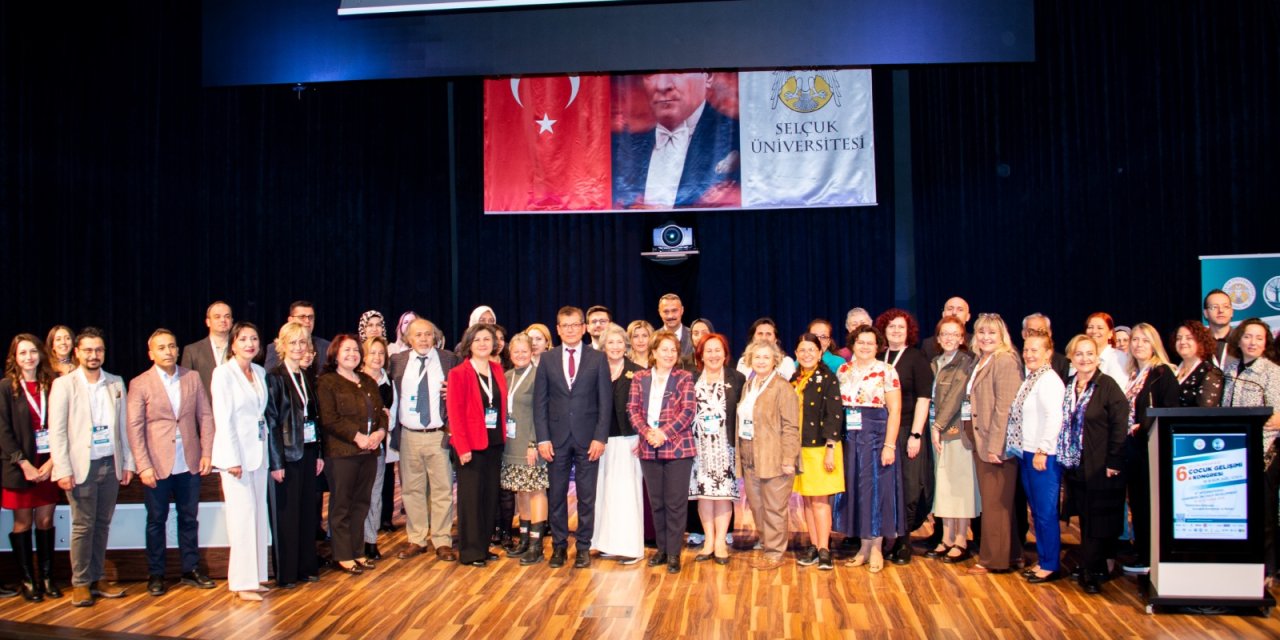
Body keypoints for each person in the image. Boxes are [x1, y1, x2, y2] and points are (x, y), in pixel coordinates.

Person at [125, 329, 217, 597]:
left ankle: (191, 569)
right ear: (151, 353)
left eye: (172, 346)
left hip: (188, 462)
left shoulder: (192, 377)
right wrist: (143, 465)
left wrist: (207, 452)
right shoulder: (140, 383)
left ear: (177, 350)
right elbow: (134, 427)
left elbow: (206, 416)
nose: (168, 351)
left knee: (189, 518)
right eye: (161, 347)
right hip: (157, 464)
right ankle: (156, 574)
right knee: (156, 520)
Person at [48, 327, 135, 607]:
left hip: (110, 463)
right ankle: (81, 583)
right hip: (80, 467)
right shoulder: (64, 385)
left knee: (101, 524)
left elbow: (123, 427)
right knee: (82, 525)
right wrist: (62, 469)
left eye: (98, 350)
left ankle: (98, 578)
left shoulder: (115, 382)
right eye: (88, 350)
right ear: (77, 352)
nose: (93, 355)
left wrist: (127, 463)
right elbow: (57, 431)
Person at [533, 306, 613, 569]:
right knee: (556, 495)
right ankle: (558, 547)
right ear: (557, 329)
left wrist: (600, 437)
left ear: (584, 328)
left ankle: (583, 547)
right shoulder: (547, 359)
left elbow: (605, 402)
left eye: (575, 325)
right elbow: (540, 403)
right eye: (564, 325)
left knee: (586, 497)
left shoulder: (597, 358)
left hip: (588, 439)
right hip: (555, 440)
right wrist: (543, 438)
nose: (570, 330)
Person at [1057, 335, 1129, 595]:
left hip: (1102, 465)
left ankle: (1092, 571)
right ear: (1071, 357)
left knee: (1100, 519)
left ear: (1097, 357)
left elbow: (1121, 425)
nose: (1084, 359)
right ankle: (1091, 563)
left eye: (1089, 354)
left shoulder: (1107, 386)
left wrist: (1114, 460)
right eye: (1079, 354)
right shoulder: (1068, 385)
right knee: (1086, 518)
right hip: (1076, 464)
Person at [612, 72, 740, 209]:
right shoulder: (623, 147)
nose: (662, 86)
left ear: (707, 77)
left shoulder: (737, 138)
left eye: (678, 72)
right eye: (650, 74)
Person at [388, 318, 458, 562]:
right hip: (409, 434)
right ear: (409, 338)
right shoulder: (397, 361)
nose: (424, 339)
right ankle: (416, 538)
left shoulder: (448, 359)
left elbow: (459, 389)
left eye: (428, 334)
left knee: (442, 490)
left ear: (435, 336)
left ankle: (442, 540)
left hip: (438, 434)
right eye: (418, 335)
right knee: (412, 490)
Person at [317, 334, 387, 575]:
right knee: (342, 505)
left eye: (356, 350)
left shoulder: (367, 381)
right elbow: (329, 418)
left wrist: (380, 432)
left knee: (361, 504)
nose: (352, 354)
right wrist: (357, 437)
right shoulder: (327, 382)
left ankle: (358, 551)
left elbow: (382, 413)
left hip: (369, 452)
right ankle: (342, 554)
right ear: (335, 354)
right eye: (346, 350)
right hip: (342, 453)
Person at [627, 330, 697, 574]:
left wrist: (663, 433)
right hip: (649, 447)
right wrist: (647, 433)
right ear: (653, 352)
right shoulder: (640, 378)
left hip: (678, 447)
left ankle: (675, 552)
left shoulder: (684, 377)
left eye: (673, 350)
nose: (669, 354)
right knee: (657, 503)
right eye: (664, 349)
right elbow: (633, 409)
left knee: (676, 503)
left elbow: (688, 411)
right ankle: (662, 549)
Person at [210, 322, 270, 601]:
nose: (250, 343)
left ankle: (256, 576)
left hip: (258, 454)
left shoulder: (259, 372)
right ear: (232, 344)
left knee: (257, 516)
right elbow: (223, 419)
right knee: (241, 519)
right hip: (236, 459)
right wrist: (232, 459)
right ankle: (241, 582)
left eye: (254, 339)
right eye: (243, 339)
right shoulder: (222, 374)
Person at [835, 325, 904, 572]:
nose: (864, 346)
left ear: (878, 346)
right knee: (857, 492)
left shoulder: (887, 371)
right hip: (850, 439)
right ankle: (863, 547)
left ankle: (876, 547)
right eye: (860, 342)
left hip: (876, 437)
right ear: (852, 344)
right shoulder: (843, 370)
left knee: (877, 491)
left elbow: (895, 410)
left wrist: (889, 445)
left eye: (870, 343)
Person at [263, 322, 323, 589]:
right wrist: (276, 462)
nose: (299, 348)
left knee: (308, 512)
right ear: (282, 346)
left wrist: (319, 453)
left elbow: (314, 418)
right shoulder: (275, 377)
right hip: (287, 456)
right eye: (294, 343)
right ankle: (287, 573)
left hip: (309, 452)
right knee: (287, 515)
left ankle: (306, 566)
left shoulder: (306, 376)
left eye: (303, 342)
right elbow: (273, 421)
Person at [1, 334, 60, 601]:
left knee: (46, 520)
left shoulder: (54, 384)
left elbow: (63, 426)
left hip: (49, 464)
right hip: (19, 466)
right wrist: (24, 464)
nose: (29, 357)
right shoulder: (5, 387)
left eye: (33, 351)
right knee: (22, 523)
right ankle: (27, 580)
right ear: (14, 357)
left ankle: (47, 577)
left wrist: (52, 462)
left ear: (41, 354)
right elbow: (3, 431)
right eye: (22, 353)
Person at [874, 309, 934, 564]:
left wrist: (916, 434)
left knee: (908, 486)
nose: (896, 331)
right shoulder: (878, 357)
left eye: (901, 327)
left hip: (907, 429)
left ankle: (904, 541)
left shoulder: (916, 358)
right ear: (884, 331)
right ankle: (889, 535)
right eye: (891, 327)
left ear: (909, 331)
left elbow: (924, 398)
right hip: (880, 431)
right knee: (886, 486)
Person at [965, 313, 1024, 575]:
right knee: (998, 502)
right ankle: (1010, 555)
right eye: (981, 332)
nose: (986, 337)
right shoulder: (981, 360)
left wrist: (996, 445)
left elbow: (1006, 407)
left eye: (992, 333)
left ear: (1002, 336)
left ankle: (994, 561)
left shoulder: (1005, 360)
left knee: (995, 504)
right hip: (982, 440)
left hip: (995, 444)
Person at [1222, 318, 1280, 581]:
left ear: (1266, 342)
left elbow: (1277, 416)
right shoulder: (1231, 369)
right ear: (1239, 339)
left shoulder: (1272, 372)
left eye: (1259, 337)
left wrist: (1251, 428)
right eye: (1248, 336)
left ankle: (1267, 568)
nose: (1253, 342)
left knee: (1264, 512)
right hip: (1234, 452)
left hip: (1264, 451)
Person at [446, 324, 508, 567]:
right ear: (468, 344)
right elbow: (455, 413)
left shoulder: (496, 369)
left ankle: (483, 546)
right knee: (471, 500)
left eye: (487, 339)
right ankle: (471, 551)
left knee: (489, 497)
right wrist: (462, 447)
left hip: (494, 443)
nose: (483, 343)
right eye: (478, 339)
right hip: (470, 445)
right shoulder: (459, 374)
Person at [1120, 322, 1179, 575]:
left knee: (1149, 504)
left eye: (1145, 340)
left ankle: (1151, 557)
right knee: (1138, 503)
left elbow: (1168, 413)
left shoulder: (1161, 373)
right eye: (1135, 340)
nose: (1138, 345)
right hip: (1134, 450)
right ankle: (1141, 551)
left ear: (1154, 344)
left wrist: (1141, 427)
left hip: (1150, 449)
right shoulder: (1135, 375)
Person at [1008, 330, 1066, 584]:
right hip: (1027, 451)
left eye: (1035, 350)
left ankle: (1050, 564)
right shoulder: (1031, 378)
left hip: (1043, 455)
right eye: (1026, 349)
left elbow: (1055, 418)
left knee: (1045, 512)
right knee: (1037, 512)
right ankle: (1043, 559)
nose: (1029, 354)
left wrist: (1043, 449)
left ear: (1048, 353)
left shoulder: (1049, 380)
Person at [737, 340, 799, 571]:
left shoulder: (782, 387)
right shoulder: (749, 384)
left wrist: (788, 459)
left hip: (775, 455)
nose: (761, 361)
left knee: (774, 506)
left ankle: (774, 552)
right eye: (757, 357)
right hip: (749, 452)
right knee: (757, 505)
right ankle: (766, 543)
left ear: (775, 360)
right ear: (750, 360)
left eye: (766, 357)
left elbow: (791, 426)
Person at [926, 316, 978, 565]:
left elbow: (956, 398)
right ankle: (946, 537)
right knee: (943, 487)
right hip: (937, 432)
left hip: (955, 432)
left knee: (960, 487)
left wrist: (937, 426)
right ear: (938, 338)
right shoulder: (936, 363)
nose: (948, 338)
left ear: (962, 338)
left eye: (954, 334)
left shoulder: (966, 363)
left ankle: (961, 540)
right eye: (944, 334)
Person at [688, 332, 742, 566]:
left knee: (723, 495)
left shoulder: (737, 378)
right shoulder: (689, 379)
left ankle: (721, 541)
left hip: (725, 445)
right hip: (698, 446)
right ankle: (708, 540)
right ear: (700, 354)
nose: (713, 355)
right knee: (704, 495)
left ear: (725, 353)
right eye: (708, 350)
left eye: (717, 350)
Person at [591, 325, 645, 564]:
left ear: (626, 346)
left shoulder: (640, 373)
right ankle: (607, 543)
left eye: (619, 342)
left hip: (628, 440)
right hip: (601, 441)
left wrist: (643, 436)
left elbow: (647, 409)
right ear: (603, 346)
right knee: (604, 494)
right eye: (610, 343)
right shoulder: (594, 371)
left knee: (627, 494)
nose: (615, 347)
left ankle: (631, 547)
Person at [790, 333, 843, 570]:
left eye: (812, 349)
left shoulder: (828, 378)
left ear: (820, 352)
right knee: (808, 501)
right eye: (802, 350)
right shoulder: (795, 379)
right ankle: (813, 544)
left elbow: (834, 416)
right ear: (796, 354)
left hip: (822, 447)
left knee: (821, 501)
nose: (807, 354)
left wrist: (830, 449)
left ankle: (824, 549)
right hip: (801, 448)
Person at [500, 334, 550, 564]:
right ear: (510, 354)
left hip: (531, 445)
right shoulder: (506, 376)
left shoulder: (539, 376)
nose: (520, 355)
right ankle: (524, 539)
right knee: (521, 491)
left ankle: (537, 544)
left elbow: (542, 412)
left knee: (535, 491)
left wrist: (534, 441)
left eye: (524, 351)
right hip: (511, 444)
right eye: (516, 351)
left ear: (532, 352)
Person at [360, 336, 396, 561]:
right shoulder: (354, 379)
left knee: (374, 496)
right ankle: (350, 541)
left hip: (378, 447)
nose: (377, 357)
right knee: (354, 496)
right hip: (353, 447)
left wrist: (381, 430)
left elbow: (391, 417)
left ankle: (370, 541)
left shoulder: (388, 383)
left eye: (381, 353)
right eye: (372, 352)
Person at [181, 301, 234, 398]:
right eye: (217, 317)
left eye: (227, 316)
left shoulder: (241, 349)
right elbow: (186, 388)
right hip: (205, 410)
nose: (223, 320)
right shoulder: (192, 351)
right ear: (208, 322)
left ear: (232, 321)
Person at [265, 301, 330, 375]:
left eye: (311, 317)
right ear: (290, 320)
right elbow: (271, 377)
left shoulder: (326, 346)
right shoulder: (276, 347)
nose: (307, 321)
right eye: (302, 317)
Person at [1172, 321, 1224, 407]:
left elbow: (1206, 412)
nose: (1182, 342)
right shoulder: (1172, 371)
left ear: (1201, 342)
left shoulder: (1211, 372)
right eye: (1178, 338)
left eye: (1189, 338)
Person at [1022, 313, 1070, 381]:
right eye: (1031, 331)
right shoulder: (1017, 362)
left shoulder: (1061, 363)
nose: (1036, 335)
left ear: (1050, 333)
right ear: (1023, 334)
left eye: (1041, 331)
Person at [1084, 312, 1129, 384]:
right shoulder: (1083, 358)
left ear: (1110, 333)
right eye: (1090, 327)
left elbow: (1119, 390)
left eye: (1100, 328)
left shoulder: (1118, 358)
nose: (1094, 331)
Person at [1203, 288, 1235, 368]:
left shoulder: (1241, 341)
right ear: (1206, 313)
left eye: (1226, 306)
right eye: (1214, 307)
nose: (1221, 310)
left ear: (1232, 312)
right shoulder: (1199, 342)